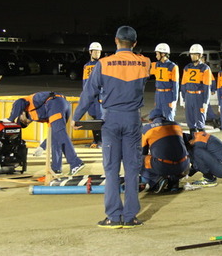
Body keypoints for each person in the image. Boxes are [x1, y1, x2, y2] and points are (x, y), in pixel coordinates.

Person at [73, 25, 150, 229]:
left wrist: (76, 116)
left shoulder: (103, 63)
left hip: (111, 119)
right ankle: (131, 216)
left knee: (111, 168)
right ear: (134, 43)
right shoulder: (144, 62)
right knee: (133, 168)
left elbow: (89, 92)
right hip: (133, 119)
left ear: (116, 40)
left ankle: (114, 216)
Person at [8, 91, 85, 175]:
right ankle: (56, 169)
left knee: (59, 133)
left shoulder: (23, 104)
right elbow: (51, 135)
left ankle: (76, 162)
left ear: (21, 115)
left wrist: (10, 120)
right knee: (56, 136)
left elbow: (19, 102)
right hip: (61, 105)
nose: (27, 122)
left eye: (23, 121)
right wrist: (42, 146)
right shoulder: (40, 114)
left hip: (55, 103)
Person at [140, 108, 190, 193]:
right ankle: (174, 183)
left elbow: (142, 152)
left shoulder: (147, 129)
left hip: (163, 166)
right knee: (175, 153)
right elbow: (186, 145)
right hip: (184, 166)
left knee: (139, 158)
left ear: (150, 120)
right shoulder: (176, 125)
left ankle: (156, 180)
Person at [181, 44, 213, 133]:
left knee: (200, 121)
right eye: (191, 54)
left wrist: (205, 102)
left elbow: (207, 86)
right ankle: (193, 143)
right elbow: (183, 84)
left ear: (200, 55)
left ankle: (202, 143)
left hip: (199, 96)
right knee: (190, 121)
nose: (192, 56)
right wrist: (183, 98)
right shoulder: (187, 67)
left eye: (195, 54)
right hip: (188, 96)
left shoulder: (205, 68)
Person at [150, 43, 179, 121]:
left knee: (168, 116)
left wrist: (174, 100)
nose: (156, 56)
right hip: (158, 94)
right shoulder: (156, 65)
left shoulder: (173, 66)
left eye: (157, 54)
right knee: (158, 116)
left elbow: (175, 85)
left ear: (163, 54)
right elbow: (145, 68)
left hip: (168, 94)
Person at [83, 42, 103, 148]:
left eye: (99, 52)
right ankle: (95, 140)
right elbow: (84, 82)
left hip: (99, 96)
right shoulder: (86, 66)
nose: (98, 54)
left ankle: (101, 141)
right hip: (90, 97)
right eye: (95, 51)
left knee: (100, 118)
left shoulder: (102, 65)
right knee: (93, 117)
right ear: (90, 52)